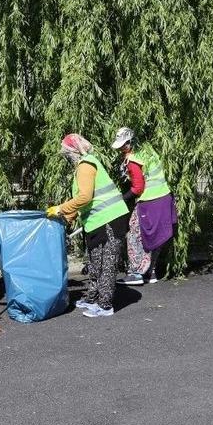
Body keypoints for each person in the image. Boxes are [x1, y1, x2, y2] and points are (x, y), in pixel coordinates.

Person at [47, 134, 129, 317]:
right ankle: (93, 298)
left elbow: (84, 197)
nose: (65, 157)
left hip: (110, 219)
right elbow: (81, 202)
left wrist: (60, 209)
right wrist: (65, 219)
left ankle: (105, 305)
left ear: (73, 151)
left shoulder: (85, 166)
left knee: (106, 262)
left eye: (66, 153)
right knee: (95, 261)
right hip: (96, 221)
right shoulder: (81, 168)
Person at [111, 127, 177, 285]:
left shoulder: (134, 160)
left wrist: (122, 198)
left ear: (131, 142)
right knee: (154, 236)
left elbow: (138, 188)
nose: (121, 148)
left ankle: (135, 273)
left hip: (150, 202)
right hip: (164, 199)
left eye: (124, 145)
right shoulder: (148, 150)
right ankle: (150, 272)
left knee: (135, 234)